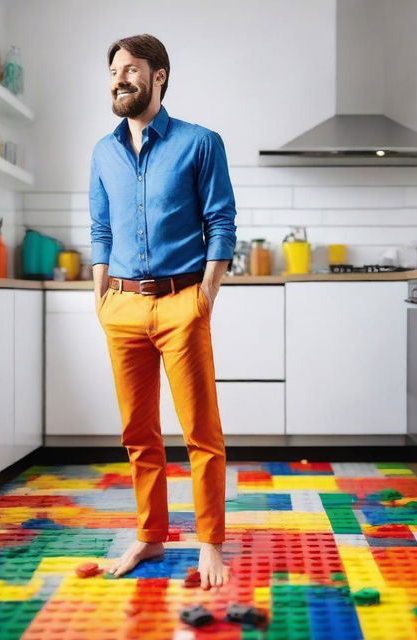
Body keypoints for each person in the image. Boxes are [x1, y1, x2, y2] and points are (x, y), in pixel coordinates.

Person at [88, 33, 237, 590]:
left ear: (159, 76)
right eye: (113, 72)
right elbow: (100, 230)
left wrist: (205, 298)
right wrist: (100, 298)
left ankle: (209, 544)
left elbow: (221, 223)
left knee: (201, 432)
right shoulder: (103, 152)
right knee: (138, 433)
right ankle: (151, 535)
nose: (119, 79)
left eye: (130, 69)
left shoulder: (201, 143)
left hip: (182, 303)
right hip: (120, 306)